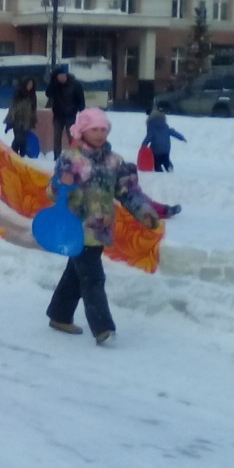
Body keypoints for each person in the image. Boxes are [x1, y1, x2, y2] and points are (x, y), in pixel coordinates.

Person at [46, 108, 159, 346]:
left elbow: (128, 192)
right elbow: (53, 193)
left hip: (100, 229)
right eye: (94, 129)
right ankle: (103, 327)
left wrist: (144, 212)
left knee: (76, 275)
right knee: (93, 278)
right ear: (82, 131)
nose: (99, 134)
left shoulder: (114, 162)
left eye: (103, 129)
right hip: (77, 228)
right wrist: (60, 185)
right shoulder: (71, 159)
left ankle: (59, 314)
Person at [45, 68, 85, 157]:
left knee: (72, 137)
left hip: (70, 115)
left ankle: (77, 155)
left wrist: (82, 113)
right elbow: (48, 93)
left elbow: (81, 100)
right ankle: (56, 157)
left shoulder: (75, 84)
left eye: (63, 75)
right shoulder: (55, 85)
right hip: (58, 116)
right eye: (60, 76)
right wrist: (53, 82)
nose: (62, 78)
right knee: (57, 137)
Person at [3, 77, 39, 156]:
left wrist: (33, 119)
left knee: (24, 141)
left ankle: (21, 157)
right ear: (25, 84)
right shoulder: (19, 93)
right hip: (17, 120)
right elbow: (13, 107)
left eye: (31, 84)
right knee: (18, 139)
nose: (30, 86)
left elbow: (34, 109)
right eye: (28, 84)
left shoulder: (33, 95)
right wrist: (10, 119)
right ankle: (13, 154)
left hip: (27, 121)